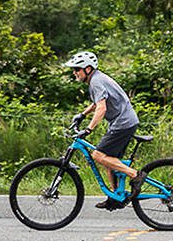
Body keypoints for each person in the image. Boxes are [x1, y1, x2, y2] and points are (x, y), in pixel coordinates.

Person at [63, 51, 146, 210]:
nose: (74, 72)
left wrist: (88, 129)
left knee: (98, 155)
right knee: (108, 159)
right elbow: (97, 102)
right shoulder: (97, 78)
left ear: (87, 69)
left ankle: (136, 175)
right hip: (123, 122)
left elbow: (101, 108)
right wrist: (82, 114)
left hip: (123, 123)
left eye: (77, 69)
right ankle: (115, 196)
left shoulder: (96, 81)